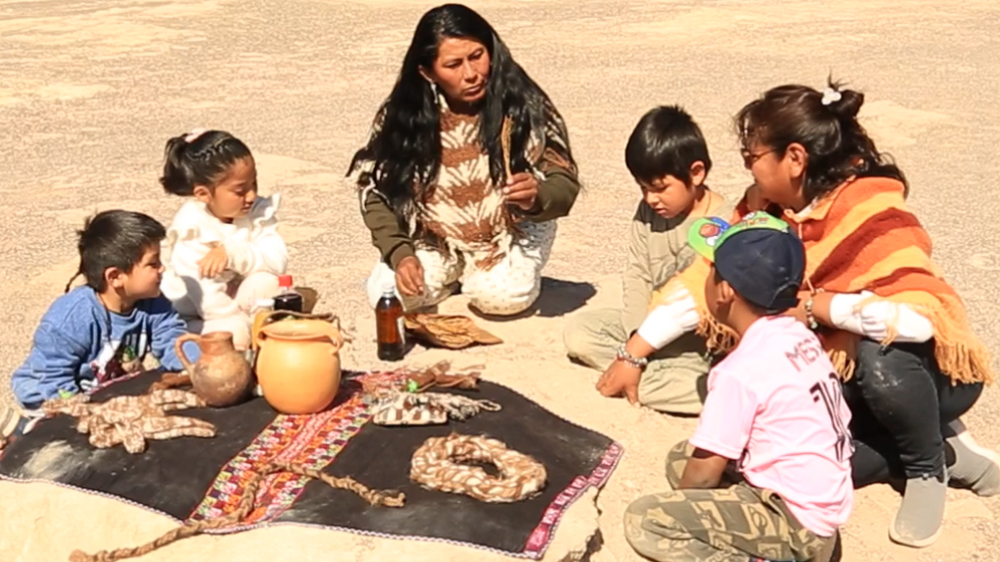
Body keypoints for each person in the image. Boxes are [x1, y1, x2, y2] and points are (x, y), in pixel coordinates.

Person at [608, 80, 997, 548]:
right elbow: (706, 277)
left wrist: (815, 307)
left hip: (924, 373)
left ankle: (927, 467)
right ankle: (923, 447)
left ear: (794, 158)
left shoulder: (868, 206)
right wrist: (634, 353)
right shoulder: (764, 207)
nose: (746, 168)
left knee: (882, 360)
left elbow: (918, 320)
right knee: (804, 463)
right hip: (832, 375)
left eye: (752, 157)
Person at [624, 212, 851, 562]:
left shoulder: (741, 370)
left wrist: (684, 510)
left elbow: (702, 478)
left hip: (796, 524)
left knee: (648, 520)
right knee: (681, 456)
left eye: (712, 270)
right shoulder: (800, 337)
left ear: (726, 290)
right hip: (820, 510)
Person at [348, 3, 580, 317]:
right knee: (390, 296)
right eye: (453, 64)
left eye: (477, 56)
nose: (471, 74)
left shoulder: (524, 105)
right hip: (432, 237)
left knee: (500, 299)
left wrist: (537, 195)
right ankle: (451, 270)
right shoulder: (402, 118)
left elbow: (563, 183)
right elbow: (374, 192)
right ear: (427, 71)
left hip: (513, 231)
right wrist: (401, 254)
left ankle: (489, 272)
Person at [563, 106, 732, 414]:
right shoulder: (648, 213)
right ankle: (636, 372)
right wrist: (635, 342)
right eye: (643, 188)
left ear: (696, 173)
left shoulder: (721, 224)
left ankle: (638, 377)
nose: (650, 199)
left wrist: (633, 356)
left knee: (708, 385)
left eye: (659, 188)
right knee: (580, 332)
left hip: (702, 346)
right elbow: (638, 273)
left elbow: (702, 306)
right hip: (644, 334)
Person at [3, 210, 195, 444]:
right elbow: (53, 376)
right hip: (50, 393)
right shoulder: (72, 317)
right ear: (115, 277)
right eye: (153, 263)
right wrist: (85, 413)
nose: (162, 269)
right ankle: (22, 428)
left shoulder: (153, 303)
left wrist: (200, 365)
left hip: (105, 391)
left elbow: (173, 339)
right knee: (63, 444)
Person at [159, 129, 288, 351]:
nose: (251, 196)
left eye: (253, 184)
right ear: (203, 194)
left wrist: (232, 253)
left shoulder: (256, 213)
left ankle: (266, 350)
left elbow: (277, 261)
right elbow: (208, 300)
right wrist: (245, 324)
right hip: (198, 316)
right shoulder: (192, 230)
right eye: (240, 191)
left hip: (237, 303)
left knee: (268, 285)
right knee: (234, 335)